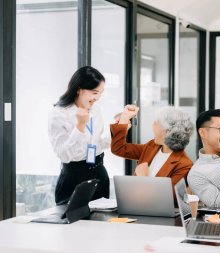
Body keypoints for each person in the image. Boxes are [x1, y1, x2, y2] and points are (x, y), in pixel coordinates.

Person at [48, 66, 110, 205]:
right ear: (78, 89)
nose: (97, 98)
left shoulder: (96, 110)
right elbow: (64, 155)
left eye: (100, 93)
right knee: (71, 225)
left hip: (99, 173)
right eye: (94, 92)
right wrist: (80, 126)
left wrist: (118, 130)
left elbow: (96, 144)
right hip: (74, 179)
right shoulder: (59, 114)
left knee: (101, 224)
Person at [110, 105, 194, 192]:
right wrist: (124, 119)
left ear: (167, 131)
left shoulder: (184, 165)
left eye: (156, 122)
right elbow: (119, 148)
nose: (152, 125)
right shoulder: (152, 146)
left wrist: (144, 178)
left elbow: (168, 197)